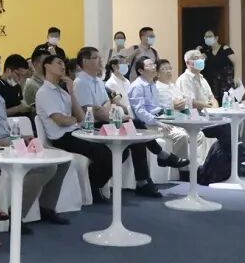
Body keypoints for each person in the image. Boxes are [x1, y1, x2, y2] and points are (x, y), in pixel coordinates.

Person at [0, 46, 70, 228]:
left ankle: (41, 208)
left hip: (8, 142)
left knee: (59, 160)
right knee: (46, 167)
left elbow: (2, 125)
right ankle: (16, 216)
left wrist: (21, 137)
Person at [74, 47, 167, 198]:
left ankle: (143, 179)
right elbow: (90, 110)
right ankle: (149, 170)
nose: (101, 60)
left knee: (135, 134)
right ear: (85, 62)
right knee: (134, 127)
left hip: (104, 121)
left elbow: (106, 104)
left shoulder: (98, 81)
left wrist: (105, 111)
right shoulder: (81, 82)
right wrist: (109, 114)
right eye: (96, 58)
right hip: (91, 126)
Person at [34, 54, 116, 201]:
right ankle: (93, 188)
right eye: (59, 63)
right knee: (105, 155)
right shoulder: (44, 92)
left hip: (75, 132)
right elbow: (60, 121)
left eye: (63, 64)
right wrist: (73, 120)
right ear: (47, 66)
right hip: (61, 138)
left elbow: (81, 118)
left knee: (110, 151)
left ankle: (93, 186)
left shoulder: (63, 92)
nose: (63, 66)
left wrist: (71, 93)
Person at [177, 50, 245, 179]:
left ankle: (241, 157)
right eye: (196, 58)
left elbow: (212, 98)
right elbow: (191, 102)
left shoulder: (202, 79)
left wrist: (214, 108)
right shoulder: (185, 79)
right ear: (188, 62)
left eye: (200, 57)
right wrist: (209, 107)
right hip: (196, 119)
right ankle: (239, 157)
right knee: (226, 127)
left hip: (209, 115)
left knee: (238, 120)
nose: (200, 60)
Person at [127, 58, 192, 166]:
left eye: (154, 64)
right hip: (148, 124)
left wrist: (171, 114)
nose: (154, 67)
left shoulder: (152, 84)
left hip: (161, 117)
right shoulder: (137, 86)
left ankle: (193, 166)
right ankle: (182, 170)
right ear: (140, 70)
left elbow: (157, 107)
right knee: (181, 135)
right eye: (149, 65)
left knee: (192, 130)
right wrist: (158, 122)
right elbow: (140, 112)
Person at [199, 29, 236, 102]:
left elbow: (236, 62)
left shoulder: (224, 48)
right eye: (206, 37)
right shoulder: (207, 52)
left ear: (216, 38)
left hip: (226, 82)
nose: (207, 38)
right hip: (214, 84)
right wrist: (198, 51)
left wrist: (237, 76)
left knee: (228, 102)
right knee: (215, 103)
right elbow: (200, 63)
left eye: (210, 36)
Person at [0, 53, 33, 118]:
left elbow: (21, 105)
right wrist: (18, 109)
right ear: (9, 70)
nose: (19, 79)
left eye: (23, 76)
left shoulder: (17, 87)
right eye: (18, 75)